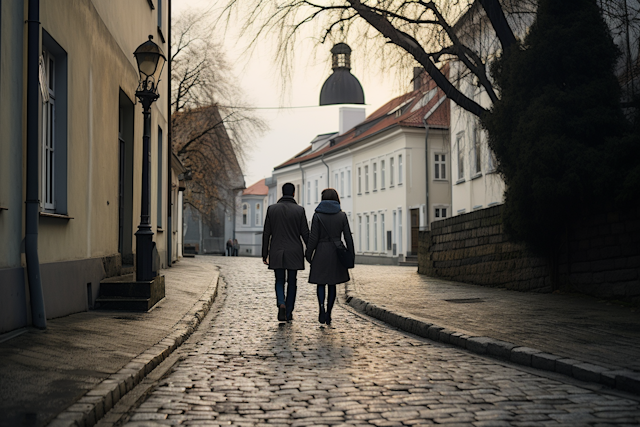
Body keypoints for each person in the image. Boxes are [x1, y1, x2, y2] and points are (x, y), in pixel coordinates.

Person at [305, 188, 354, 325]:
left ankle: (321, 307)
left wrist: (309, 253)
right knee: (332, 284)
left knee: (321, 283)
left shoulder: (317, 216)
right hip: (336, 252)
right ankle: (329, 313)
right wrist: (351, 255)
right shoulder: (342, 216)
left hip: (321, 251)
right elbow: (348, 237)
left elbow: (313, 237)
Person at [262, 183, 309, 321]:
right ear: (294, 193)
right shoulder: (299, 210)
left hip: (276, 250)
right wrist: (312, 251)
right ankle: (289, 312)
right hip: (294, 251)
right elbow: (305, 233)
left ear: (282, 193)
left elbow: (266, 233)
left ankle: (281, 303)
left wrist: (265, 253)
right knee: (292, 282)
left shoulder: (272, 209)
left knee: (279, 280)